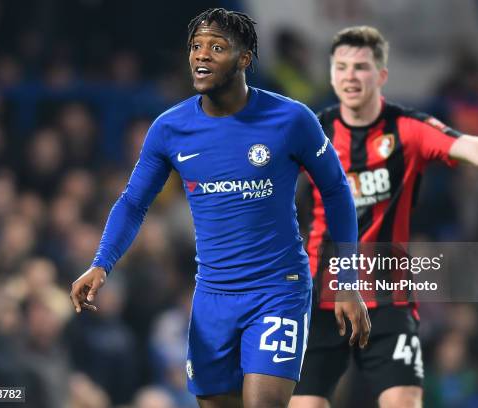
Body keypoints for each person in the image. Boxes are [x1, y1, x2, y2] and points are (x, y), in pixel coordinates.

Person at [70, 9, 370, 408]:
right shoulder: (170, 128)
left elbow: (336, 191)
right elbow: (133, 202)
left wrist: (346, 279)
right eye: (196, 47)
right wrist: (101, 262)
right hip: (212, 298)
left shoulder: (291, 119)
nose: (201, 56)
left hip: (277, 290)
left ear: (244, 59)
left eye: (216, 47)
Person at [290, 26, 478, 408]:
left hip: (389, 296)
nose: (350, 76)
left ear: (381, 75)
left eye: (361, 67)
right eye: (341, 67)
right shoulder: (312, 130)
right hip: (322, 293)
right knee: (304, 405)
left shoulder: (407, 128)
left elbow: (471, 147)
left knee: (404, 401)